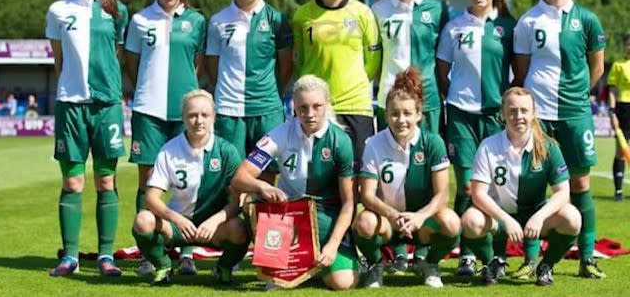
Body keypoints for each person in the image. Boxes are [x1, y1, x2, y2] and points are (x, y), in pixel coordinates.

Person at [513, 0, 607, 278]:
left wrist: (578, 94)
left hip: (575, 113)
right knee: (534, 185)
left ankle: (587, 258)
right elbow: (521, 71)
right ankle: (528, 259)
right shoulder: (528, 20)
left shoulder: (588, 19)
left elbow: (597, 66)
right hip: (538, 116)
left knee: (580, 184)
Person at [45, 0, 134, 277]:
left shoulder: (117, 10)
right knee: (72, 182)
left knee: (106, 180)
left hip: (107, 105)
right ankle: (69, 257)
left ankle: (106, 256)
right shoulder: (57, 10)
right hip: (71, 106)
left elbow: (119, 55)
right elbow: (58, 60)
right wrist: (72, 88)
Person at [231, 75, 358, 290]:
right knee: (251, 199)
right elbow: (239, 178)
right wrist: (263, 186)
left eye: (316, 106)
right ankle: (280, 258)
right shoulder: (281, 133)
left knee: (343, 283)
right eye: (303, 107)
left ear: (326, 105)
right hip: (289, 215)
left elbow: (349, 203)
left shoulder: (341, 141)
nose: (309, 114)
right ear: (294, 107)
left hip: (326, 217)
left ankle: (317, 261)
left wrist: (333, 244)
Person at [435, 0, 522, 277]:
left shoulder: (510, 27)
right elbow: (442, 72)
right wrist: (460, 97)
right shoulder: (454, 26)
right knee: (469, 187)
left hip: (497, 118)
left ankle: (498, 255)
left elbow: (520, 73)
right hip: (461, 117)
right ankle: (468, 254)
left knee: (495, 188)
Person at [125, 0, 207, 276]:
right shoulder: (140, 19)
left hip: (186, 114)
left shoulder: (198, 21)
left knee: (190, 182)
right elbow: (132, 65)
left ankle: (187, 251)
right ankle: (150, 254)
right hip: (148, 111)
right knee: (148, 183)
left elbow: (198, 66)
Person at [371, 0, 449, 272]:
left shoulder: (438, 9)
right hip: (387, 104)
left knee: (424, 176)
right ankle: (397, 247)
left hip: (426, 104)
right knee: (392, 176)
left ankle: (422, 244)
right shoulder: (377, 9)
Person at [461, 87, 581, 286]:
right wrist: (505, 220)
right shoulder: (488, 146)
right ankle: (492, 261)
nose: (519, 116)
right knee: (470, 221)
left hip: (534, 218)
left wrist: (539, 216)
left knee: (572, 217)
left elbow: (563, 192)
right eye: (513, 110)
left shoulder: (549, 147)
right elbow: (478, 194)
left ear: (534, 113)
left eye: (524, 110)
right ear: (503, 113)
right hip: (499, 218)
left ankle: (546, 265)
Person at [354, 67, 459, 288]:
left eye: (407, 113)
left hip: (421, 224)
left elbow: (442, 195)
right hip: (388, 223)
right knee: (364, 222)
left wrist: (419, 217)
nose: (401, 120)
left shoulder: (433, 142)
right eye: (394, 113)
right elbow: (367, 196)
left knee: (451, 222)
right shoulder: (374, 143)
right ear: (386, 114)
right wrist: (392, 214)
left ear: (419, 114)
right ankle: (376, 265)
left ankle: (429, 263)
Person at [132, 89, 249, 286]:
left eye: (205, 115)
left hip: (214, 228)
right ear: (183, 118)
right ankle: (163, 266)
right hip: (178, 227)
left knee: (240, 228)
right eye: (192, 115)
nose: (199, 121)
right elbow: (151, 198)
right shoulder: (170, 150)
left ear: (214, 117)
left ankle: (224, 267)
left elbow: (239, 198)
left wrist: (215, 220)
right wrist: (177, 219)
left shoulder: (227, 151)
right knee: (143, 220)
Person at [292, 0, 381, 170]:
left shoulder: (363, 13)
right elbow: (300, 59)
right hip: (317, 106)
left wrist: (355, 83)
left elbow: (373, 59)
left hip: (355, 105)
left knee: (359, 171)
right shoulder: (302, 15)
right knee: (319, 171)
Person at [206, 0, 292, 158]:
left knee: (268, 170)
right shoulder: (218, 21)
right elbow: (212, 67)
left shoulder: (277, 20)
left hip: (267, 108)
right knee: (231, 172)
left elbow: (286, 66)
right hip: (229, 108)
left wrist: (270, 92)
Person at [606, 31, 630, 201]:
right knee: (621, 151)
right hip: (623, 109)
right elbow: (613, 91)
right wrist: (612, 112)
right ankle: (619, 190)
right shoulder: (618, 65)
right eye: (628, 43)